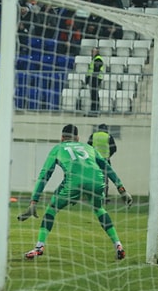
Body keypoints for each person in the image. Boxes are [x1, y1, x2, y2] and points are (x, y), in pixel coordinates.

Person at [19, 124, 133, 260]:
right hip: (97, 180)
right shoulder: (89, 148)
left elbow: (45, 174)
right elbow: (107, 167)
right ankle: (118, 245)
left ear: (62, 138)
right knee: (99, 209)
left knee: (51, 209)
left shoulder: (58, 148)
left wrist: (34, 201)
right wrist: (122, 190)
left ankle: (39, 247)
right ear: (78, 138)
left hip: (73, 182)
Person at [87, 123, 117, 202]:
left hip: (94, 160)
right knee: (105, 180)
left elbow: (88, 147)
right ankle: (104, 198)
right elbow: (114, 148)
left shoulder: (93, 136)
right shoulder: (108, 136)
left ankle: (93, 197)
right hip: (105, 161)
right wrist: (109, 155)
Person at [85, 47, 105, 112]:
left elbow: (96, 70)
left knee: (94, 95)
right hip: (94, 79)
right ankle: (93, 110)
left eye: (93, 51)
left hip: (96, 78)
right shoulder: (95, 59)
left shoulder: (98, 59)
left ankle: (95, 110)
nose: (92, 53)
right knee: (93, 95)